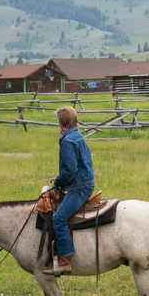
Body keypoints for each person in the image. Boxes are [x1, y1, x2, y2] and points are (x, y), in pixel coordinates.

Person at [43, 106, 95, 276]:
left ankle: (65, 260)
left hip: (78, 188)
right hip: (84, 183)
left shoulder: (67, 141)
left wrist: (58, 181)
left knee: (58, 218)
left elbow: (70, 170)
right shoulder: (77, 136)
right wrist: (59, 179)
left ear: (61, 122)